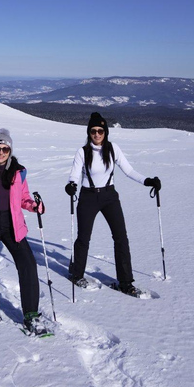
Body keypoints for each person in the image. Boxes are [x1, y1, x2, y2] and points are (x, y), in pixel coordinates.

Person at [65, 112, 161, 297]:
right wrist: (71, 185)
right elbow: (74, 175)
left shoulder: (113, 149)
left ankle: (125, 282)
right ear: (89, 132)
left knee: (121, 237)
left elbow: (129, 170)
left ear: (106, 132)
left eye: (100, 130)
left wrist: (147, 181)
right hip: (88, 197)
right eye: (93, 131)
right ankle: (76, 273)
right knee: (84, 238)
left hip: (110, 196)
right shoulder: (82, 152)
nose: (97, 134)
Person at [0, 128, 50, 336]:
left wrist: (33, 206)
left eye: (5, 148)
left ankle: (31, 314)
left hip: (12, 223)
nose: (1, 152)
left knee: (28, 264)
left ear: (10, 150)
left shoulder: (18, 171)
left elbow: (23, 197)